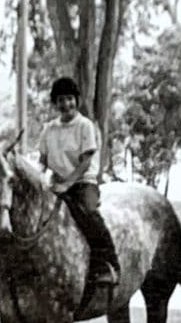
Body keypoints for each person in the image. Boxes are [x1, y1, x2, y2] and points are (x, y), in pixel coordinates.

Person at [39, 77, 121, 303]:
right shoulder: (49, 130)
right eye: (61, 100)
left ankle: (107, 263)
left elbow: (85, 161)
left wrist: (68, 183)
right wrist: (39, 178)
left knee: (88, 212)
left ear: (76, 100)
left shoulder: (84, 126)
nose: (66, 104)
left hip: (83, 181)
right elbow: (43, 160)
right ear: (55, 103)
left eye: (69, 99)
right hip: (58, 182)